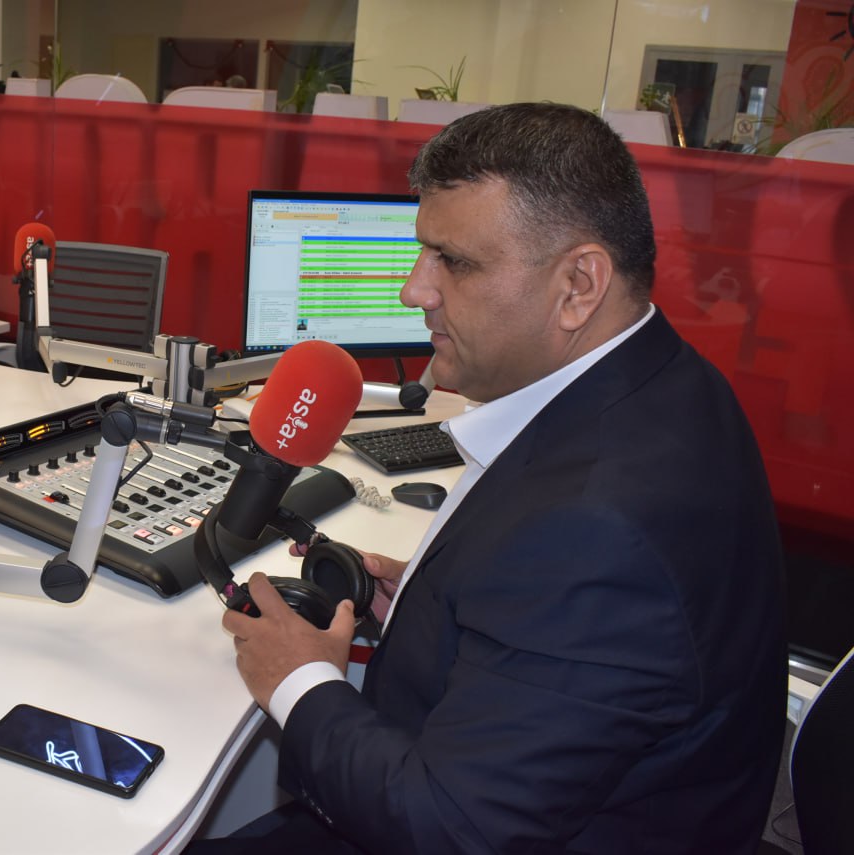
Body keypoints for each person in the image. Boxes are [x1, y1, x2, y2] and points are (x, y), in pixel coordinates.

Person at [196, 103, 786, 853]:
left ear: (579, 285)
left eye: (455, 261)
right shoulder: (665, 382)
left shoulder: (598, 530)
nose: (415, 291)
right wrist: (430, 603)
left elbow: (448, 830)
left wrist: (297, 681)